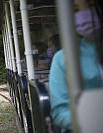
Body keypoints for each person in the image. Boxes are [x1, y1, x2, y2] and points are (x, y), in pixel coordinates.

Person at [49, 0, 103, 132]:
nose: (84, 14)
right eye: (76, 10)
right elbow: (60, 113)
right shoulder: (62, 58)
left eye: (90, 5)